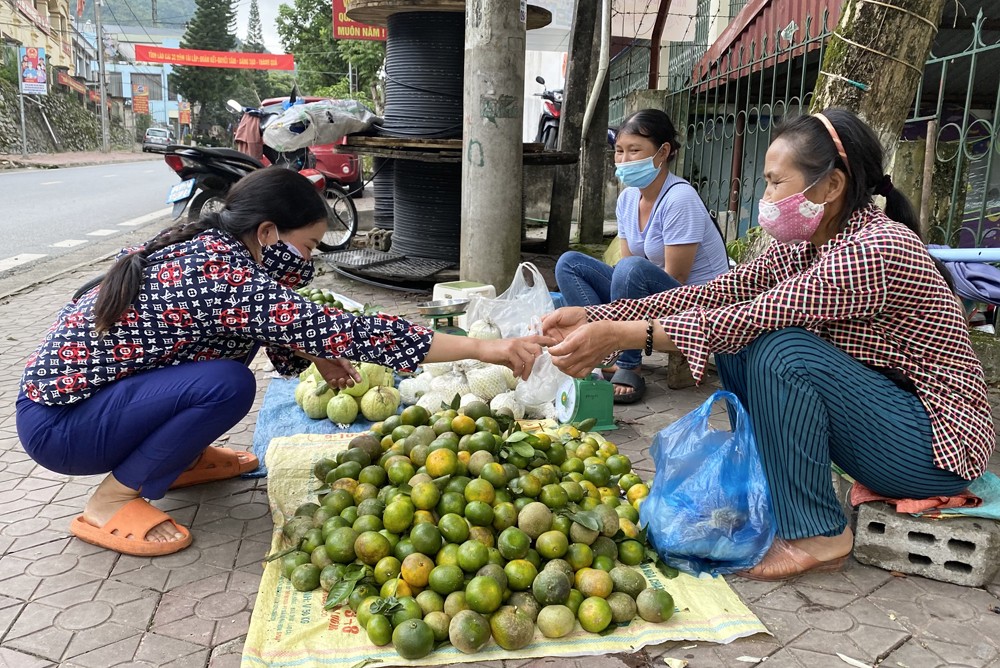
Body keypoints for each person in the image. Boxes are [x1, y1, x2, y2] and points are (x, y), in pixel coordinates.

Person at [542, 109, 996, 580]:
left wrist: (623, 335)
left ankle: (821, 536)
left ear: (831, 186)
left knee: (781, 350)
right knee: (740, 343)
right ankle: (775, 493)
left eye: (776, 183)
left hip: (934, 450)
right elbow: (717, 293)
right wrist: (596, 315)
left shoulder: (876, 249)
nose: (766, 197)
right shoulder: (807, 243)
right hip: (888, 422)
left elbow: (754, 314)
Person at [16, 167, 551, 557]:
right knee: (225, 384)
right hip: (62, 426)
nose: (313, 257)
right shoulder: (219, 270)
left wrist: (315, 350)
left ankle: (176, 459)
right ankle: (110, 500)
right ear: (268, 232)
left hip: (94, 404)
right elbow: (361, 331)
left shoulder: (217, 245)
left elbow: (277, 322)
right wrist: (487, 348)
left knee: (227, 363)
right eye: (311, 244)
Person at [554, 109, 729, 404]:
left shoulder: (679, 198)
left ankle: (628, 363)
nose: (624, 160)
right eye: (619, 151)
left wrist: (628, 283)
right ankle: (603, 351)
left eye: (635, 150)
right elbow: (626, 263)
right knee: (570, 263)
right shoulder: (628, 198)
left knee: (631, 269)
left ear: (662, 153)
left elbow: (678, 278)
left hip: (694, 300)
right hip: (651, 293)